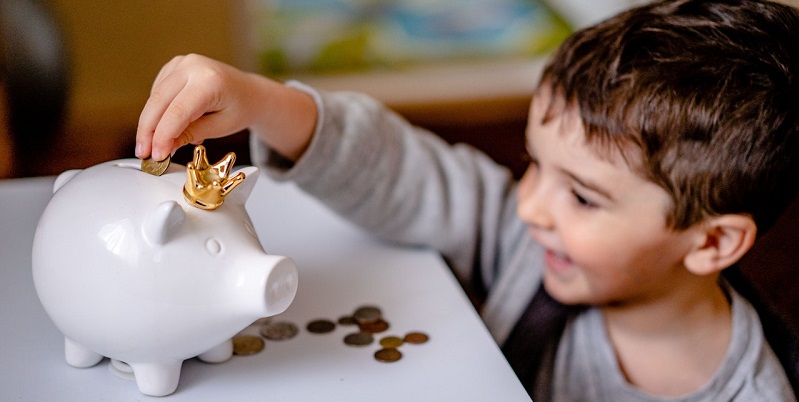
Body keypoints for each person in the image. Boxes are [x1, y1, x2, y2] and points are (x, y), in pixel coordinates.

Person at [135, 0, 799, 400]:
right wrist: (260, 102)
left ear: (711, 242)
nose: (530, 205)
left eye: (582, 198)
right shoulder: (528, 243)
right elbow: (403, 171)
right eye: (533, 164)